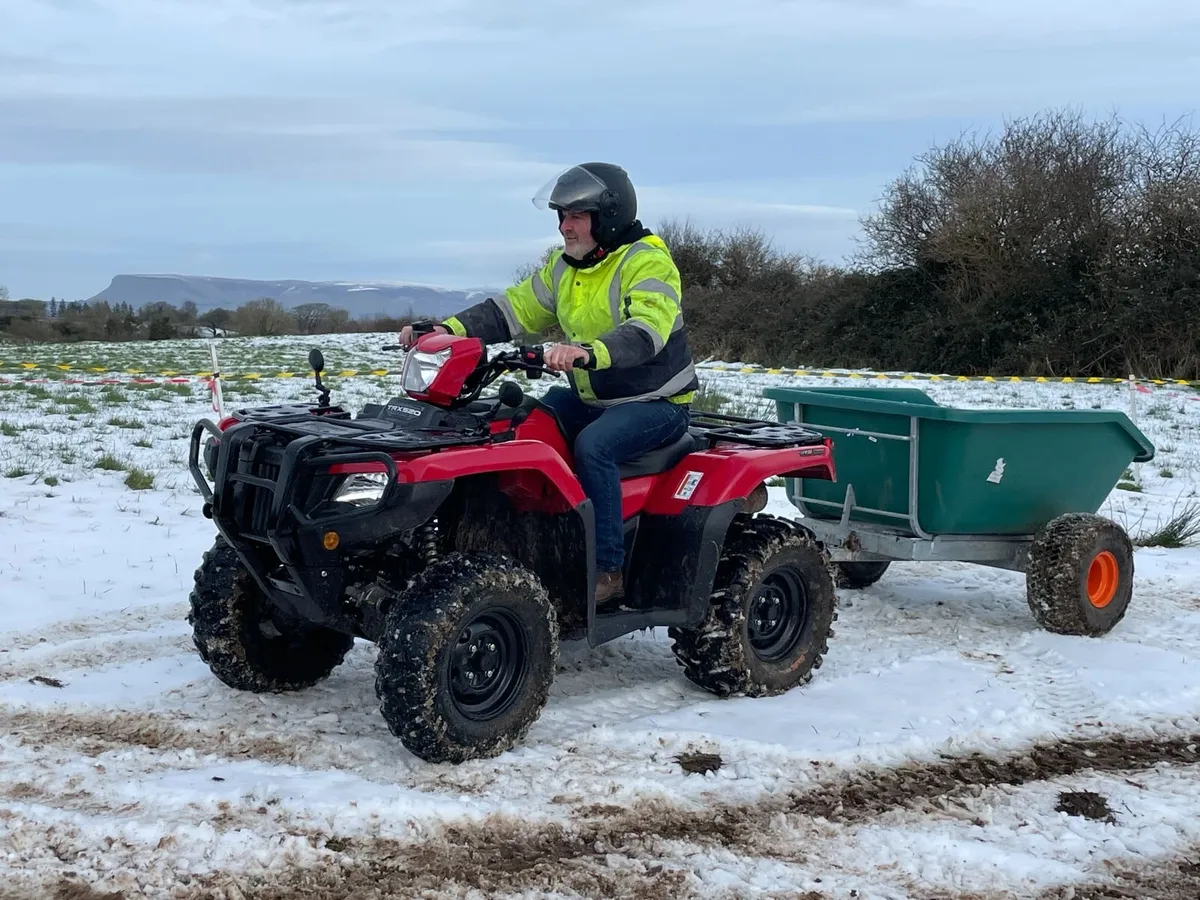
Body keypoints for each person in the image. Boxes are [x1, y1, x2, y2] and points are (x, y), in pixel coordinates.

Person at [399, 162, 698, 605]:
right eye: (561, 216)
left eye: (576, 216)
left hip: (656, 402)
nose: (564, 227)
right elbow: (511, 310)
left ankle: (608, 570)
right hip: (594, 397)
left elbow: (646, 330)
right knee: (516, 426)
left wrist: (587, 352)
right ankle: (520, 540)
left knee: (595, 447)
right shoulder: (566, 267)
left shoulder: (646, 261)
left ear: (608, 215)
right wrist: (446, 329)